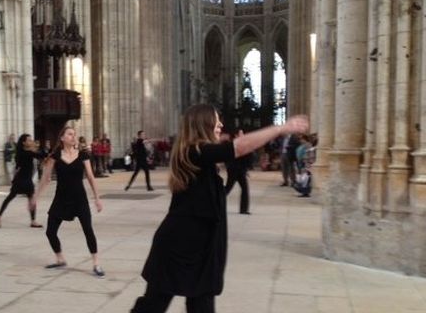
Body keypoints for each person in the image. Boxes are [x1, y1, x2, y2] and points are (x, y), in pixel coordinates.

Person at [130, 104, 308, 312]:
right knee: (154, 305)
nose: (221, 124)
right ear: (203, 123)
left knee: (201, 304)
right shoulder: (192, 152)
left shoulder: (197, 153)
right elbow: (237, 148)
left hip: (201, 247)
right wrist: (281, 128)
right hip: (178, 246)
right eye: (216, 120)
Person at [31, 126, 105, 277]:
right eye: (70, 134)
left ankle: (96, 263)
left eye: (74, 134)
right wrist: (36, 197)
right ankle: (60, 259)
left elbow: (90, 177)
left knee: (88, 230)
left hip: (80, 199)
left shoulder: (83, 154)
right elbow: (46, 178)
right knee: (50, 231)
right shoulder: (56, 156)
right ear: (62, 138)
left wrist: (97, 198)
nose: (73, 136)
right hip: (61, 199)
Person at [0, 134, 44, 229]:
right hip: (20, 180)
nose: (31, 141)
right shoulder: (25, 153)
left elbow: (39, 156)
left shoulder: (26, 152)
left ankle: (33, 221)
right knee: (10, 198)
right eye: (29, 140)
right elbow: (40, 155)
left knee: (32, 200)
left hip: (27, 180)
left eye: (31, 140)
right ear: (24, 143)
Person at [224, 129, 254, 215]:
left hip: (240, 169)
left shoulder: (241, 143)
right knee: (228, 188)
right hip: (234, 169)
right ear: (236, 135)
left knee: (243, 188)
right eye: (241, 133)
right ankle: (215, 201)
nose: (242, 135)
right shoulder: (234, 144)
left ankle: (243, 209)